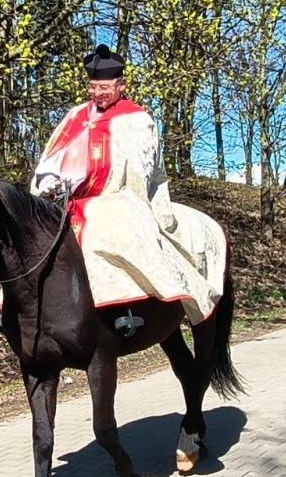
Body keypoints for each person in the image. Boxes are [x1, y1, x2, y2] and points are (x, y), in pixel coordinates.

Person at [32, 44, 224, 335]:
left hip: (118, 195)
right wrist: (49, 180)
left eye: (105, 87)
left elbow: (138, 168)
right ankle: (25, 311)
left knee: (115, 228)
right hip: (70, 199)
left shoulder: (136, 120)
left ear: (121, 85)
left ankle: (126, 309)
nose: (98, 93)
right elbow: (54, 154)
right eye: (93, 87)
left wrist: (84, 178)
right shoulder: (74, 116)